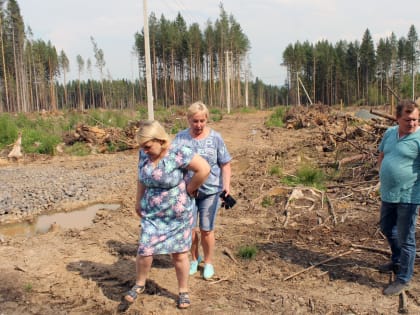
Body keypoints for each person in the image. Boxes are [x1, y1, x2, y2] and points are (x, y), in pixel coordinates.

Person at [124, 120, 210, 309]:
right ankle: (139, 284)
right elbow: (141, 179)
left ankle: (183, 291)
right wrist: (138, 200)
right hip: (152, 213)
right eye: (142, 147)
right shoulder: (143, 154)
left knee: (179, 254)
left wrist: (190, 188)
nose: (144, 150)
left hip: (177, 214)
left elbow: (203, 169)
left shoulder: (179, 152)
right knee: (145, 249)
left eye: (147, 146)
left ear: (160, 140)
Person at [173, 101, 232, 280]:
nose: (198, 125)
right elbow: (173, 164)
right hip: (187, 192)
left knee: (206, 229)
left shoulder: (215, 138)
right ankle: (193, 258)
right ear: (188, 120)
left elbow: (225, 163)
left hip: (211, 192)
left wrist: (226, 187)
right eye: (194, 121)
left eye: (202, 121)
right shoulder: (180, 138)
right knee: (190, 230)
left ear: (207, 119)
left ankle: (208, 262)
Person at [377, 99, 420, 296]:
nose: (412, 124)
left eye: (415, 120)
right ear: (397, 118)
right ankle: (397, 260)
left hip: (409, 195)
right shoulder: (389, 133)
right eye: (407, 120)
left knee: (406, 238)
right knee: (386, 227)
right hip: (388, 193)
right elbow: (382, 154)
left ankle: (403, 278)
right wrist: (382, 174)